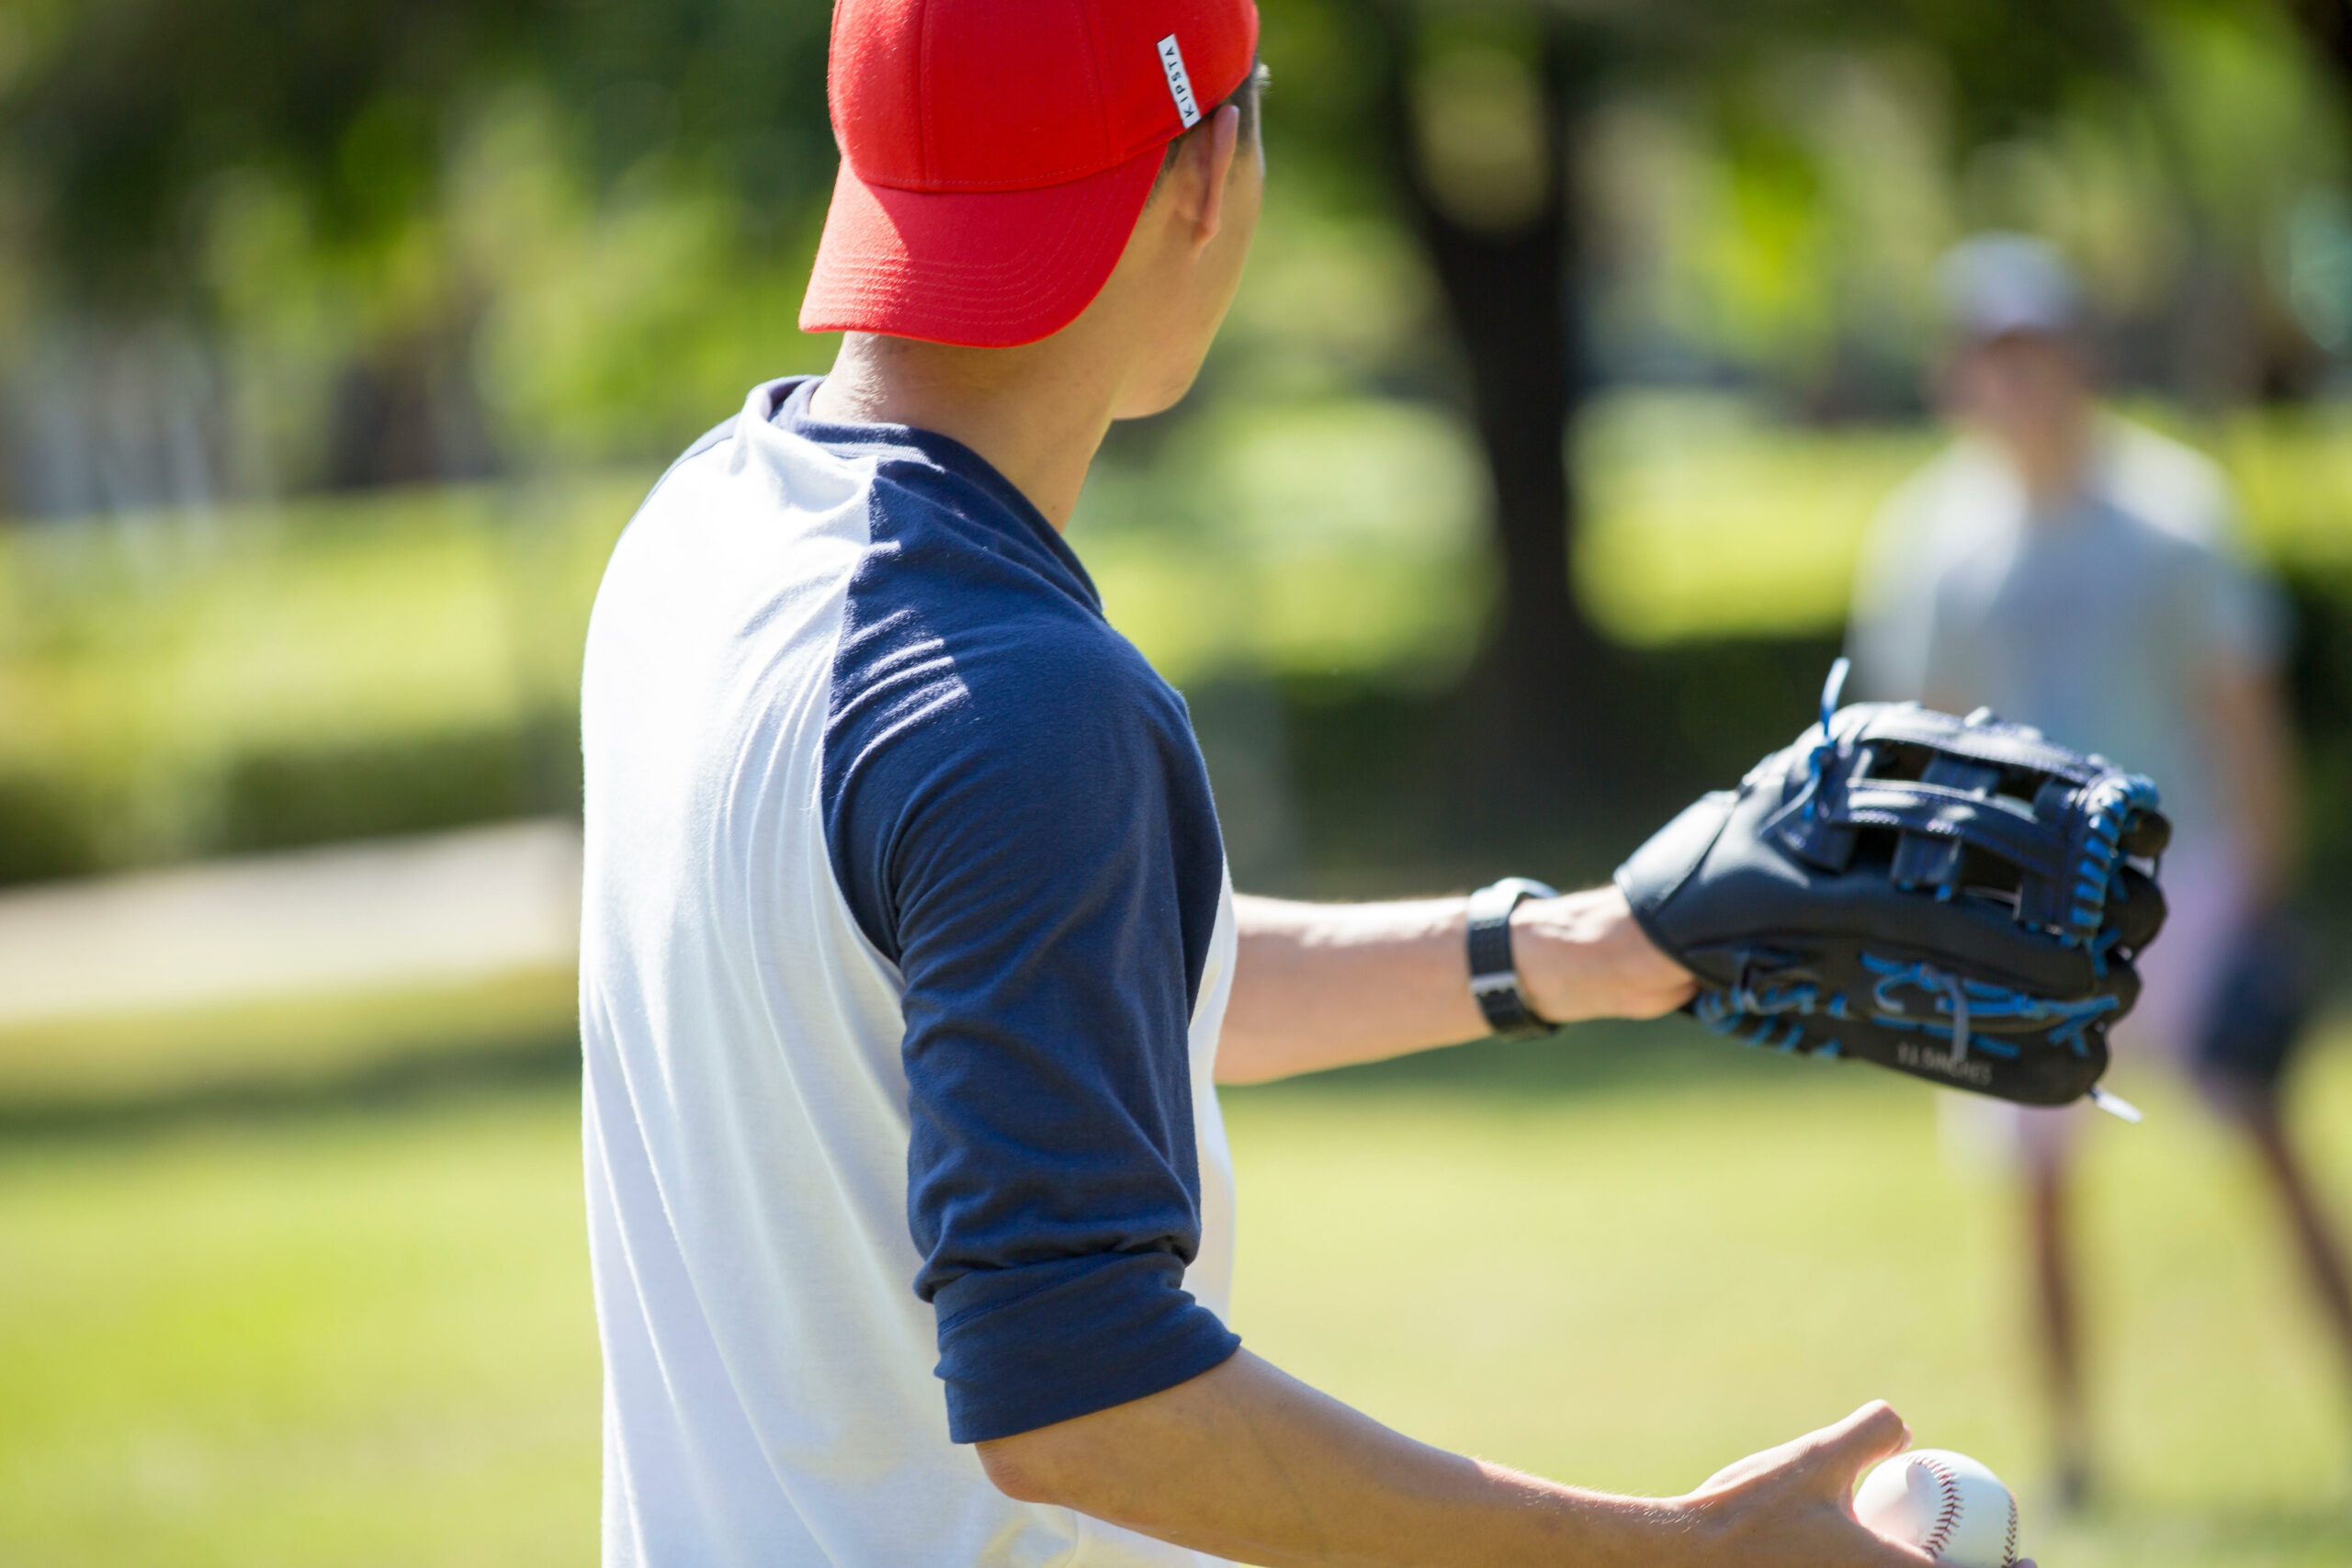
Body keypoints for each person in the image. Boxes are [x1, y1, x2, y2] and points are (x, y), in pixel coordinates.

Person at [576, 2, 1961, 1562]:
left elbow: (1052, 994)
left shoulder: (700, 538)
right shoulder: (1026, 707)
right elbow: (1080, 1399)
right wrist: (1664, 1552)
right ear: (1205, 175)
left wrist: (1577, 952)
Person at [1848, 231, 2352, 1506]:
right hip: (2019, 914)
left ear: (2080, 356)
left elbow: (2243, 714)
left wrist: (2271, 901)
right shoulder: (1932, 539)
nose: (2018, 380)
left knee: (2277, 1155)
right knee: (2034, 1195)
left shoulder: (2172, 516)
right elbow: (1913, 746)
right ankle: (2073, 1460)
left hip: (2182, 888)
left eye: (2037, 350)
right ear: (1959, 375)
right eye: (1992, 356)